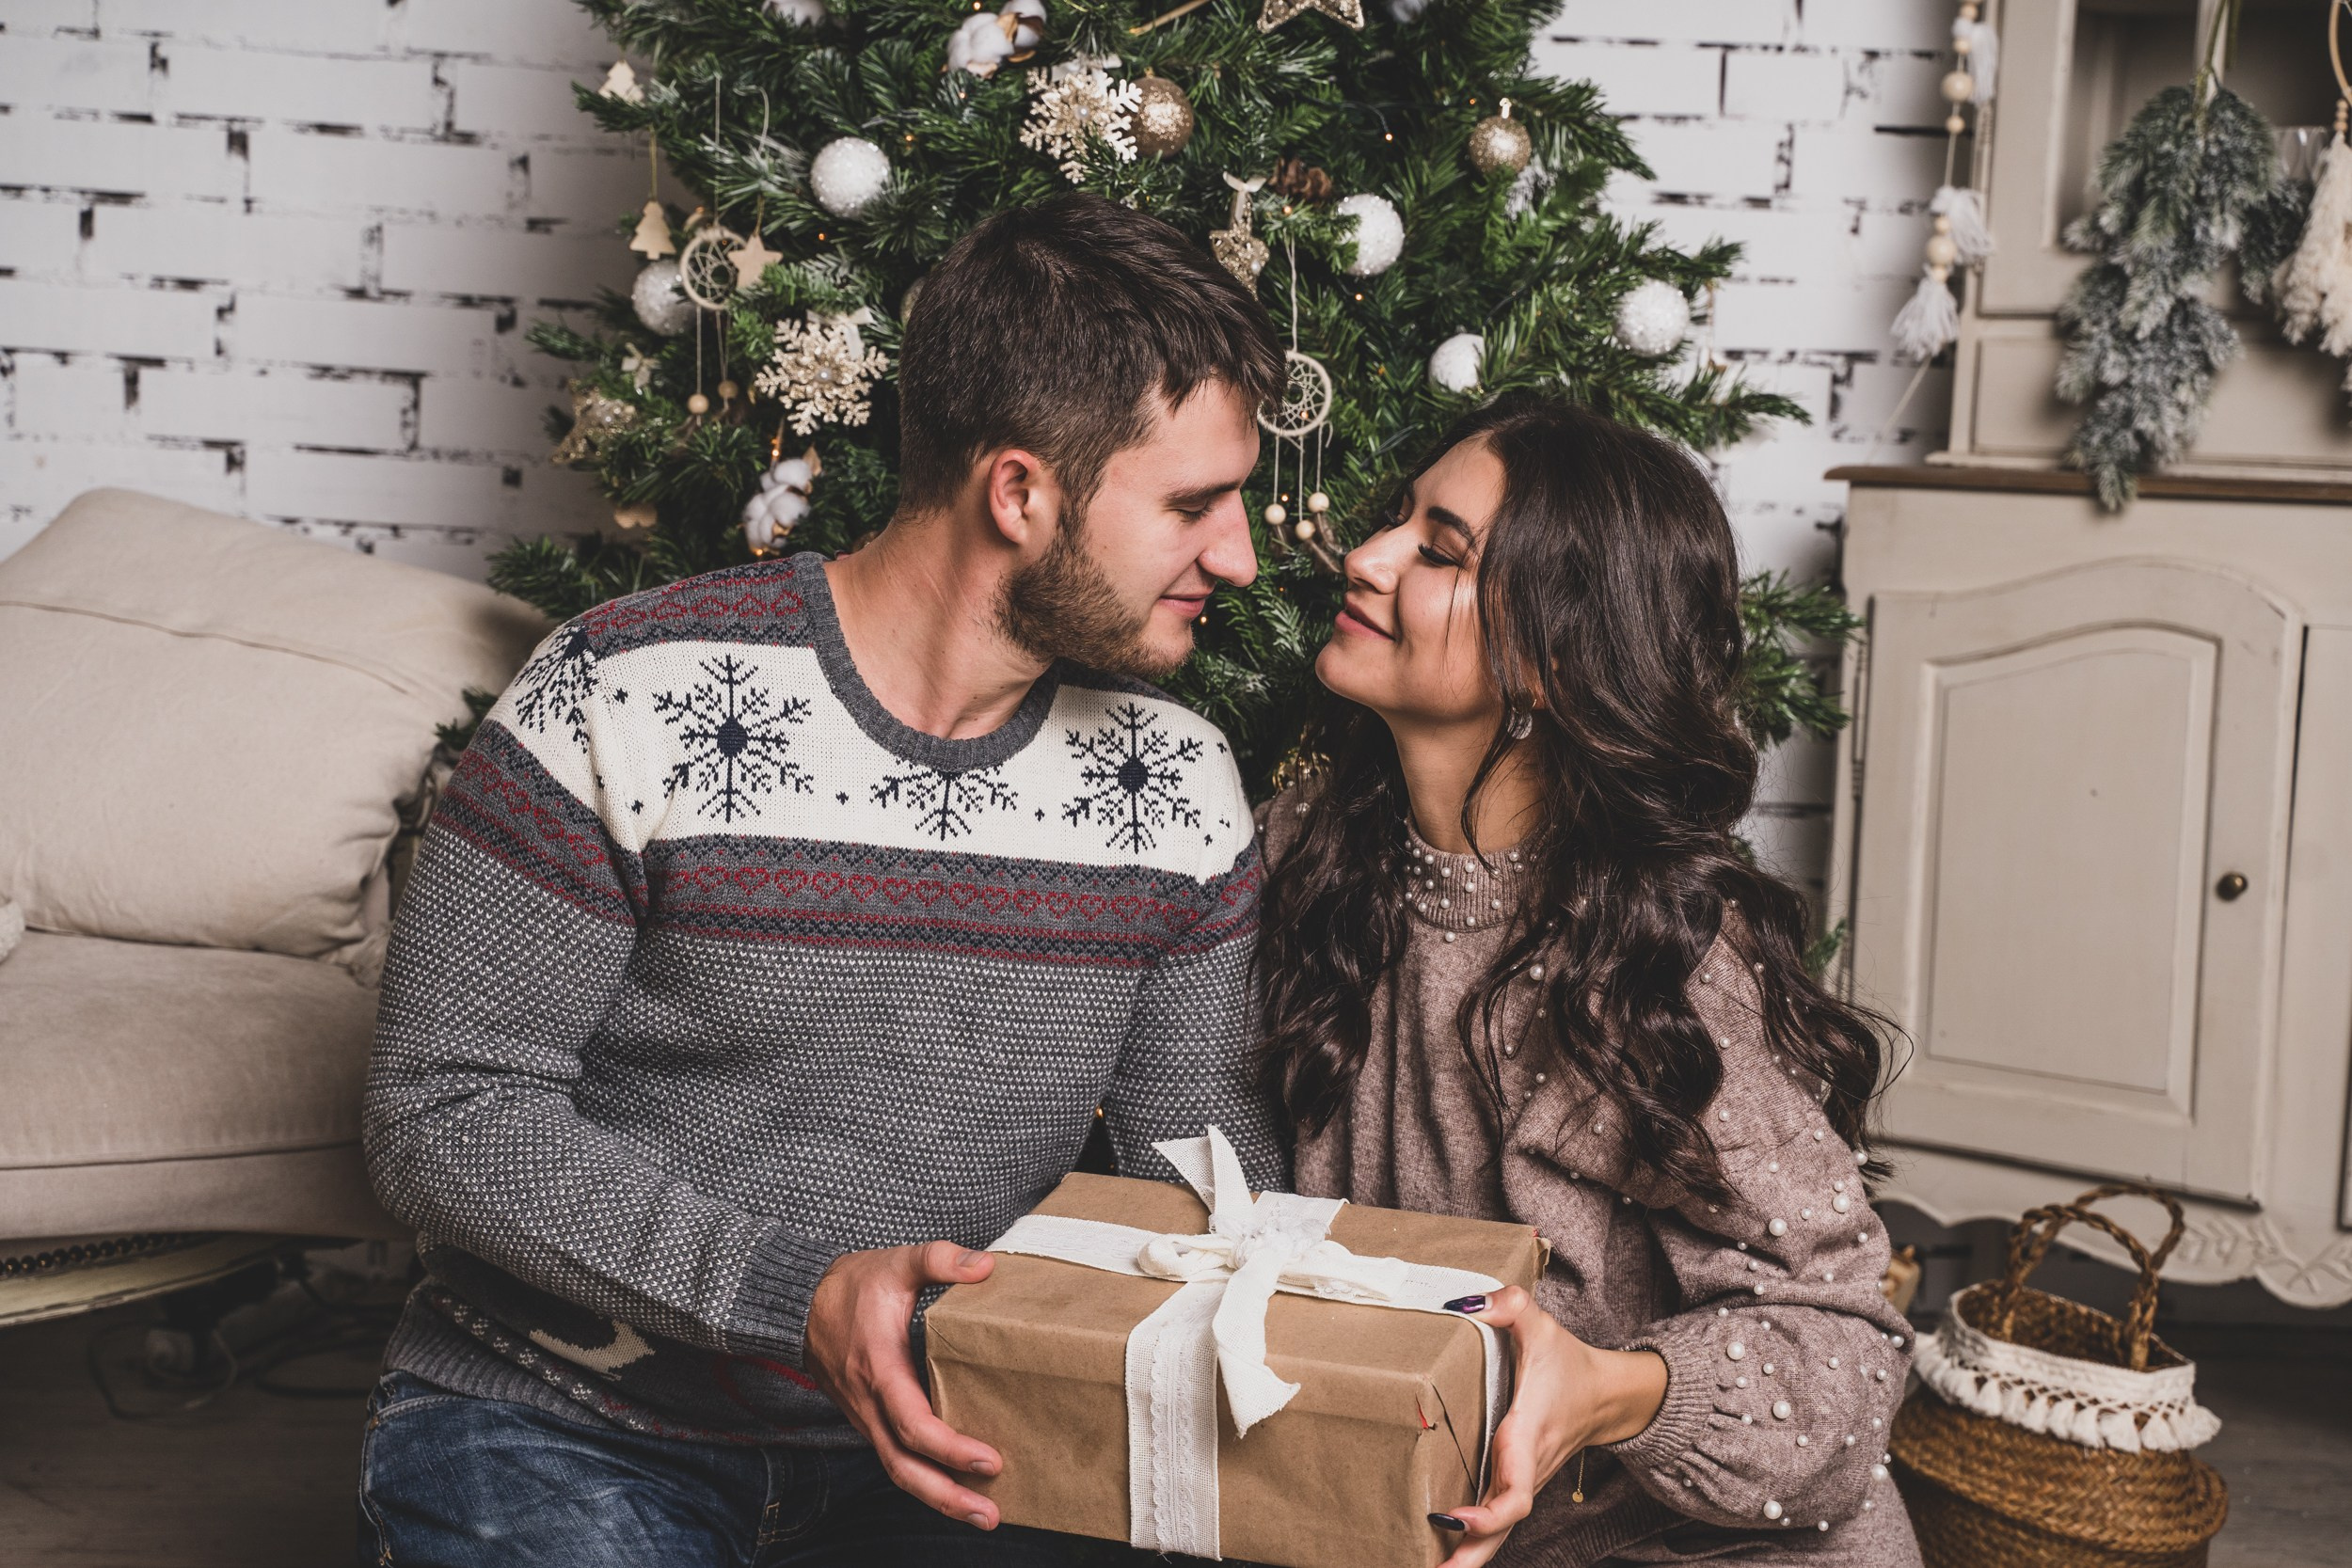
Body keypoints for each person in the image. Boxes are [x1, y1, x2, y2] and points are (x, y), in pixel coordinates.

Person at [358, 192, 1289, 1567]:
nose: (1242, 557)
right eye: (1195, 505)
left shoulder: (1174, 783)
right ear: (1022, 491)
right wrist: (794, 1293)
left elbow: (1197, 1173)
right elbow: (439, 1110)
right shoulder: (627, 694)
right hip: (571, 1421)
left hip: (961, 1445)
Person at [1257, 394, 1924, 1568]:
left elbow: (1852, 1363)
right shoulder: (1304, 850)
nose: (1361, 558)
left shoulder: (1659, 963)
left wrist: (1615, 1390)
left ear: (1552, 660)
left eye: (1439, 549)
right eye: (1396, 521)